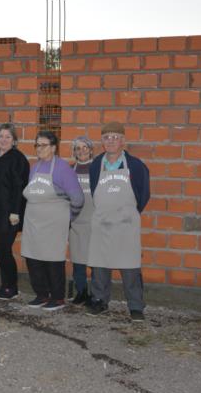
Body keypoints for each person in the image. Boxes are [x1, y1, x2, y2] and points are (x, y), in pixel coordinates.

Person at [86, 121, 150, 322]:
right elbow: (95, 188)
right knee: (99, 264)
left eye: (115, 137)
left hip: (125, 224)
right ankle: (99, 300)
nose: (111, 141)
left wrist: (128, 213)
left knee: (130, 266)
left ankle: (136, 306)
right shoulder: (96, 164)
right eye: (106, 137)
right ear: (102, 142)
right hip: (102, 222)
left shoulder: (136, 165)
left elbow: (143, 195)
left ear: (123, 140)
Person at [21, 130, 84, 311]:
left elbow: (78, 198)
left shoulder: (62, 168)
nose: (39, 148)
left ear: (53, 148)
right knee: (33, 259)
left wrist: (68, 218)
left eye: (43, 145)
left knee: (52, 261)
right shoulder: (34, 168)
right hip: (33, 223)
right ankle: (41, 295)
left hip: (54, 225)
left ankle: (57, 298)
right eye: (37, 145)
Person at [0, 123, 29, 300]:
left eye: (8, 137)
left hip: (9, 214)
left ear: (14, 140)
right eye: (1, 136)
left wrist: (15, 212)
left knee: (5, 250)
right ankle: (4, 285)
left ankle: (12, 288)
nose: (4, 139)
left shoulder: (18, 159)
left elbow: (19, 187)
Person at [68, 136, 95, 306]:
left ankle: (96, 294)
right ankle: (81, 291)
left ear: (91, 150)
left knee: (95, 260)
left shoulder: (98, 169)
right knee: (77, 259)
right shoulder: (70, 171)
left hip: (94, 221)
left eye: (85, 147)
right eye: (78, 148)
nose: (82, 151)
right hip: (76, 222)